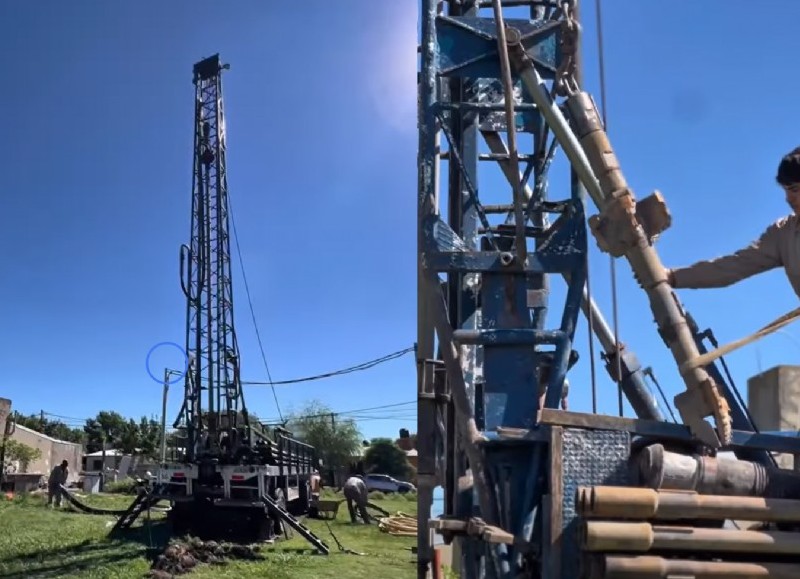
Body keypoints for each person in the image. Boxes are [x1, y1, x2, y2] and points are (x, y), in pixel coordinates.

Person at [666, 147, 800, 297]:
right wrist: (673, 277)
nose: (788, 198)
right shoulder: (783, 234)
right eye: (785, 190)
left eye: (794, 189)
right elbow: (735, 266)